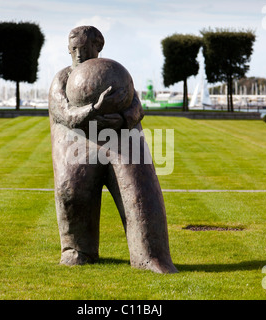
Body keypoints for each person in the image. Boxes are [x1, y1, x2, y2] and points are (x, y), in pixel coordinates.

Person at [48, 25, 177, 273]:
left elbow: (137, 106)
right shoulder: (62, 79)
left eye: (85, 49)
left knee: (141, 193)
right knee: (72, 191)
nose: (79, 55)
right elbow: (63, 113)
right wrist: (94, 109)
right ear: (68, 50)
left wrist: (123, 119)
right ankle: (77, 250)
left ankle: (149, 255)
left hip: (121, 139)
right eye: (74, 49)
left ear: (98, 48)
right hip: (77, 143)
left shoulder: (113, 75)